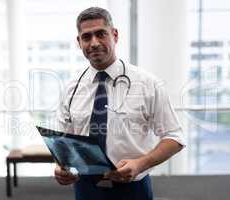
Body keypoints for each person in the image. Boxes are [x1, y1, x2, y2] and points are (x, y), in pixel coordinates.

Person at [54, 7, 185, 200]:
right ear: (79, 42)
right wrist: (60, 165)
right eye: (86, 37)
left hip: (132, 189)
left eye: (101, 34)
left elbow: (175, 137)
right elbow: (64, 139)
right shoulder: (71, 88)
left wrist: (141, 163)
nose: (94, 43)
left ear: (114, 35)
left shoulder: (148, 84)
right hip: (85, 188)